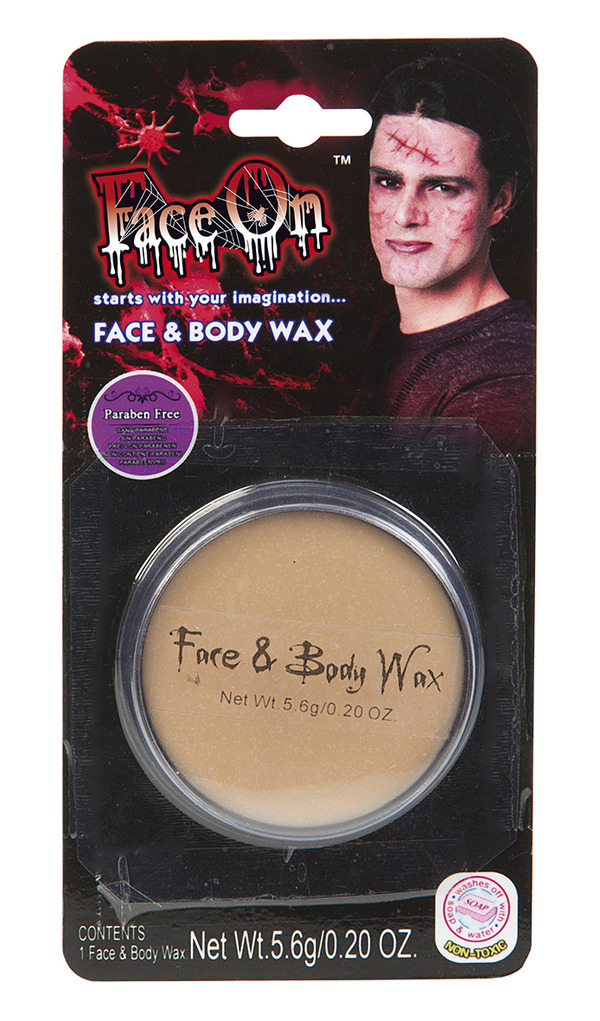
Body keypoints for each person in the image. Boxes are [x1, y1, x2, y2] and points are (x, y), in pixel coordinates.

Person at [354, 57, 535, 455]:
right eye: (388, 182)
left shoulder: (510, 380)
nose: (405, 215)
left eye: (442, 188)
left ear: (500, 201)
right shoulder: (378, 330)